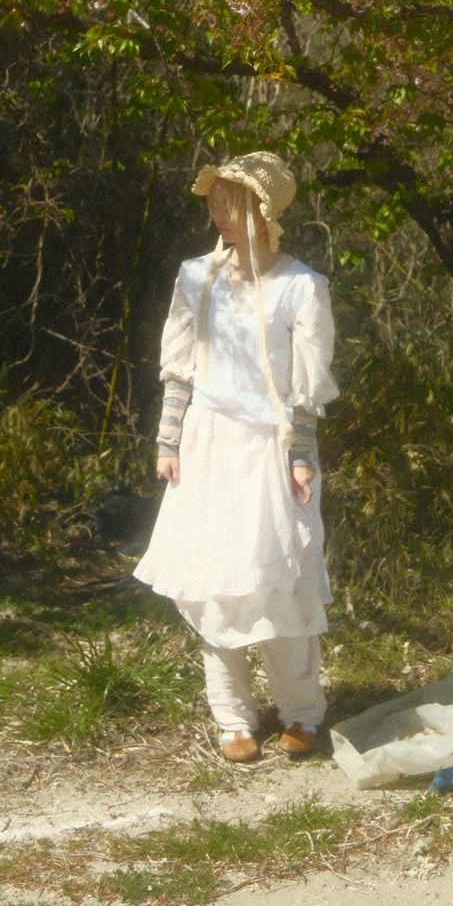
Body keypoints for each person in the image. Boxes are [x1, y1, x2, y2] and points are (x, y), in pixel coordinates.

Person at [133, 151, 338, 762]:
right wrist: (169, 440)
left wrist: (300, 455)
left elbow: (306, 384)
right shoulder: (196, 277)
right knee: (214, 582)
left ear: (264, 211)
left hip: (271, 449)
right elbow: (181, 366)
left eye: (234, 204)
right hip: (209, 446)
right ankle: (233, 718)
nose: (220, 215)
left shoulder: (301, 286)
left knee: (280, 582)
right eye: (216, 203)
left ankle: (300, 710)